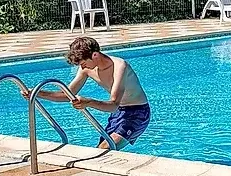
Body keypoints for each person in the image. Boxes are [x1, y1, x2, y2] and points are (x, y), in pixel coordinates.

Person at [21, 36, 150, 149]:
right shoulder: (86, 69)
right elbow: (67, 95)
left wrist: (88, 102)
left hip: (138, 113)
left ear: (95, 55)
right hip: (119, 113)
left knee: (105, 149)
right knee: (101, 149)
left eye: (83, 63)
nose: (82, 67)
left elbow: (113, 104)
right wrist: (37, 93)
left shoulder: (119, 66)